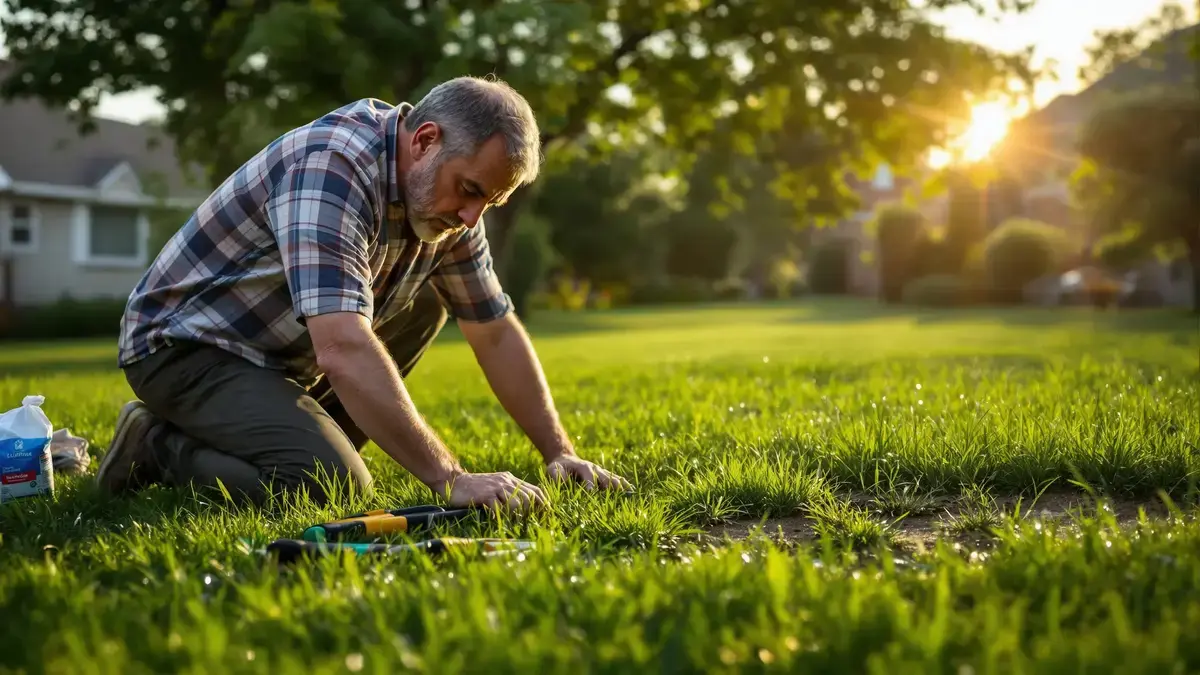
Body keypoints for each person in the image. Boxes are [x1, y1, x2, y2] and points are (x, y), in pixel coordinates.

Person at [95, 76, 630, 512]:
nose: (471, 218)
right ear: (424, 140)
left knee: (427, 304)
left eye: (489, 203)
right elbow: (342, 345)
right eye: (469, 190)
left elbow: (493, 330)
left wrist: (559, 452)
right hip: (186, 349)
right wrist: (450, 478)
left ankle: (293, 437)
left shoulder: (449, 206)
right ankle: (154, 444)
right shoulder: (332, 166)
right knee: (328, 486)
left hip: (279, 358)